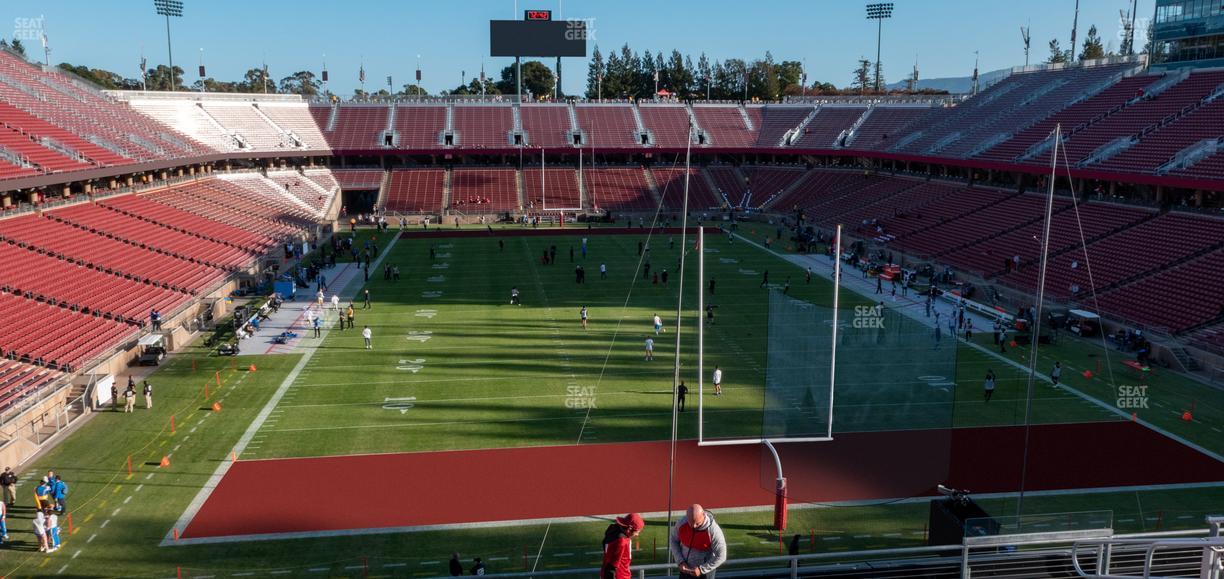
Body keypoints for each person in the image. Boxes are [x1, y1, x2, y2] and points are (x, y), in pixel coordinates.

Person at [670, 504, 727, 579]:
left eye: (697, 523)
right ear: (687, 517)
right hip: (685, 570)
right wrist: (680, 561)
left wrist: (701, 569)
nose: (694, 526)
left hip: (705, 574)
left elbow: (721, 556)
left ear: (703, 515)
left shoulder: (713, 531)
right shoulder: (681, 523)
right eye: (691, 523)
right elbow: (673, 540)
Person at [601, 513, 645, 579]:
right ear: (629, 529)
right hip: (620, 576)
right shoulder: (622, 541)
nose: (637, 535)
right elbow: (612, 567)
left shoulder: (612, 529)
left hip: (605, 572)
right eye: (637, 531)